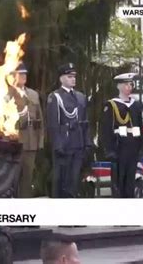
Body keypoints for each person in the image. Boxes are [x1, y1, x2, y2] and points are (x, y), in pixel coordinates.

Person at [47, 63, 92, 198]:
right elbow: (53, 124)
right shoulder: (55, 97)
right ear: (61, 79)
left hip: (78, 144)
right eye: (69, 76)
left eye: (74, 76)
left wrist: (87, 142)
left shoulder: (80, 97)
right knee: (62, 182)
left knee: (74, 181)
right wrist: (57, 145)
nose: (73, 79)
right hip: (64, 146)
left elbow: (85, 121)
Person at [101, 73, 143, 198]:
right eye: (126, 84)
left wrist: (141, 147)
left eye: (130, 84)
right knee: (119, 182)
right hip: (119, 147)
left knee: (130, 181)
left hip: (133, 147)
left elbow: (139, 127)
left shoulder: (135, 105)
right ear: (119, 86)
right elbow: (106, 129)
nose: (129, 87)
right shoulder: (112, 105)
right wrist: (109, 150)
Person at [8, 62, 44, 198]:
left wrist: (40, 140)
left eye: (25, 74)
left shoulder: (33, 94)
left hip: (31, 141)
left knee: (27, 177)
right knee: (13, 177)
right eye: (20, 74)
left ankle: (25, 204)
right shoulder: (8, 94)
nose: (23, 76)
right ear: (13, 76)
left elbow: (40, 119)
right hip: (15, 141)